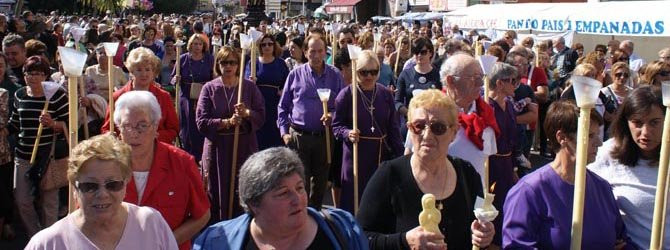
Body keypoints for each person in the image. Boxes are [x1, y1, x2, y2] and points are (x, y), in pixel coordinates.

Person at [357, 89, 494, 249]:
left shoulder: (467, 173)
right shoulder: (390, 174)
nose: (427, 135)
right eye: (419, 126)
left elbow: (479, 221)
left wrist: (483, 234)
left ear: (454, 133)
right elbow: (360, 237)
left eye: (438, 127)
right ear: (409, 128)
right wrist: (404, 241)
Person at [503, 100, 631, 249]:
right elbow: (517, 245)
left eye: (598, 134)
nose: (599, 143)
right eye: (590, 135)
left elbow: (621, 240)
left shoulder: (602, 188)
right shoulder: (528, 192)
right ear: (562, 137)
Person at [193, 147, 368, 250]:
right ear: (254, 203)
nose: (297, 199)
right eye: (283, 193)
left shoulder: (344, 230)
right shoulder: (217, 242)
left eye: (300, 188)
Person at [24, 133, 179, 250]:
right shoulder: (48, 244)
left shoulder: (151, 224)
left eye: (113, 184)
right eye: (90, 186)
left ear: (126, 183)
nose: (102, 194)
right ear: (74, 187)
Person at [113, 91, 210, 250]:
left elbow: (202, 215)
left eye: (142, 126)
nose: (134, 134)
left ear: (156, 126)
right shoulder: (106, 166)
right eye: (127, 126)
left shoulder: (182, 163)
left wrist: (165, 242)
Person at [589, 86, 668, 249]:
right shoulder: (607, 154)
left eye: (654, 123)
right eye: (637, 123)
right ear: (626, 122)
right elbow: (579, 197)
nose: (645, 132)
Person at [196, 46, 265, 221]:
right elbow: (201, 121)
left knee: (243, 189)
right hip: (217, 149)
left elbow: (261, 115)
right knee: (216, 191)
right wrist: (226, 123)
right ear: (218, 64)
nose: (228, 66)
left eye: (233, 62)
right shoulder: (209, 88)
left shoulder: (248, 87)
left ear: (238, 65)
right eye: (224, 62)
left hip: (243, 146)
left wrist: (246, 113)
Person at [278, 34, 345, 209]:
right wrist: (284, 133)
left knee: (321, 183)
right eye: (312, 51)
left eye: (320, 51)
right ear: (306, 52)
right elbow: (283, 106)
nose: (316, 55)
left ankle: (315, 218)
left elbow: (343, 104)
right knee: (300, 182)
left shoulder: (335, 75)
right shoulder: (295, 74)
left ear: (325, 52)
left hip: (324, 137)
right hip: (299, 136)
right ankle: (299, 217)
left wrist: (332, 114)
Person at [332, 50, 403, 213]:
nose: (369, 76)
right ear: (356, 71)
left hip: (379, 156)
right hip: (356, 156)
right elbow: (336, 126)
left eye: (373, 72)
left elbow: (393, 128)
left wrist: (400, 159)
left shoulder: (385, 94)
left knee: (377, 201)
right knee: (354, 202)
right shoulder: (347, 95)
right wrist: (347, 133)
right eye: (364, 72)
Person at [8, 56, 68, 236]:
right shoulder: (19, 95)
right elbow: (14, 123)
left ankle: (50, 241)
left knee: (49, 203)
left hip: (48, 156)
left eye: (38, 73)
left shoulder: (57, 95)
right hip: (23, 155)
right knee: (23, 201)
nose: (33, 78)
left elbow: (69, 125)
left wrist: (52, 124)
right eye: (29, 73)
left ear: (46, 75)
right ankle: (35, 237)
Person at [101, 47, 179, 144]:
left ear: (153, 72)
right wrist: (113, 137)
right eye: (139, 70)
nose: (144, 74)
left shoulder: (163, 97)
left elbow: (173, 129)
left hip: (156, 151)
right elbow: (107, 129)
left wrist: (155, 136)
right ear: (131, 71)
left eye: (147, 69)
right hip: (126, 152)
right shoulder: (117, 97)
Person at [485, 62, 520, 246]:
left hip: (507, 164)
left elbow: (513, 139)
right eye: (513, 81)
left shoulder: (509, 106)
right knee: (492, 204)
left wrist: (514, 166)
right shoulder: (487, 107)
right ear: (500, 83)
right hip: (491, 164)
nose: (516, 85)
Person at [171, 34, 213, 163]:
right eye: (195, 44)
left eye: (200, 44)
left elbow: (214, 76)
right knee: (187, 126)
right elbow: (173, 78)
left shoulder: (209, 59)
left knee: (201, 123)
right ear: (190, 45)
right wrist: (176, 79)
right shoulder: (183, 59)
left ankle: (202, 155)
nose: (197, 47)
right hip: (186, 96)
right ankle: (187, 155)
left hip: (204, 95)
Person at [245, 34, 289, 150]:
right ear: (259, 47)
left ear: (274, 46)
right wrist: (251, 82)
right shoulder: (253, 63)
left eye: (270, 44)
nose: (267, 47)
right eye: (264, 44)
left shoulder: (281, 64)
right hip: (258, 104)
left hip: (275, 103)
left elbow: (288, 84)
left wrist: (282, 91)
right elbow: (245, 83)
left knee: (274, 136)